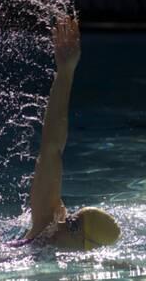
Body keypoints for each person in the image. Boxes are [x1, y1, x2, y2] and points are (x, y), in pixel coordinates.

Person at [9, 15, 119, 249]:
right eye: (71, 219)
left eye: (73, 225)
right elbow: (51, 148)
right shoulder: (44, 231)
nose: (63, 223)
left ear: (86, 247)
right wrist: (66, 72)